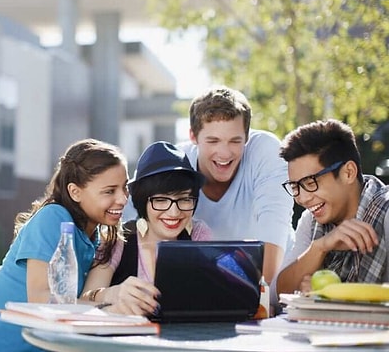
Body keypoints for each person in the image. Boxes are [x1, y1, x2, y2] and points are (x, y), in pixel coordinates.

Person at [0, 139, 130, 352]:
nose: (123, 199)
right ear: (75, 192)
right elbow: (41, 300)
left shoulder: (97, 238)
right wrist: (110, 307)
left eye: (125, 188)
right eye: (109, 191)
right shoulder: (53, 217)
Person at [177, 86, 295, 284]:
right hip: (208, 283)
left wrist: (264, 299)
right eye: (213, 141)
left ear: (247, 137)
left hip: (276, 281)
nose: (224, 153)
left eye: (235, 141)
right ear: (193, 137)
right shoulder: (177, 163)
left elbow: (275, 225)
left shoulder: (266, 151)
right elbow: (138, 226)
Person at [80, 141, 212, 316]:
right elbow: (84, 300)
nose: (174, 212)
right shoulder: (119, 238)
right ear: (143, 201)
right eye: (160, 200)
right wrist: (111, 294)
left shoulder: (198, 234)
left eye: (184, 199)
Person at [275, 119, 388, 296]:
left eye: (310, 182)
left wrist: (333, 296)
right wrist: (320, 248)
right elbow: (279, 292)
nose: (302, 198)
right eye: (295, 186)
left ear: (348, 172)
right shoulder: (311, 220)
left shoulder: (386, 212)